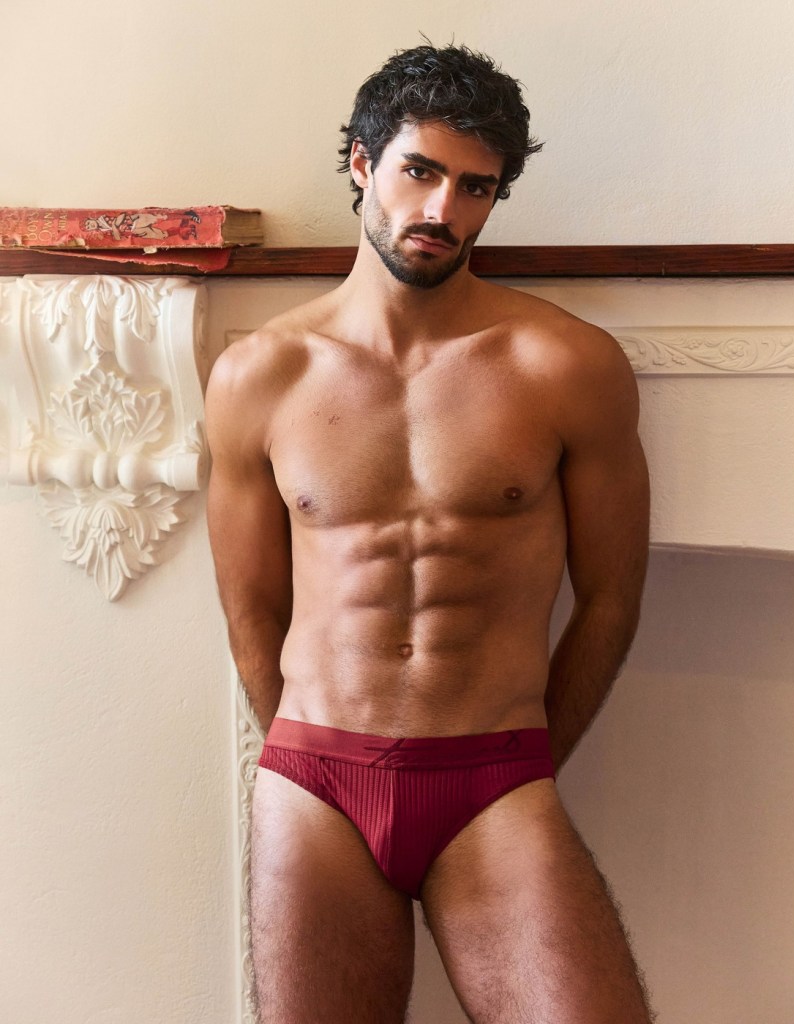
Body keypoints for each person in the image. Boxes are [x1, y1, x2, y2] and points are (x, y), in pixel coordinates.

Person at [206, 42, 652, 1024]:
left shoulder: (565, 364)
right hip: (316, 779)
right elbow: (251, 607)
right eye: (419, 170)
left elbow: (611, 597)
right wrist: (307, 750)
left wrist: (527, 760)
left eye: (475, 186)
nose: (442, 209)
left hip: (495, 775)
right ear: (363, 163)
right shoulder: (260, 376)